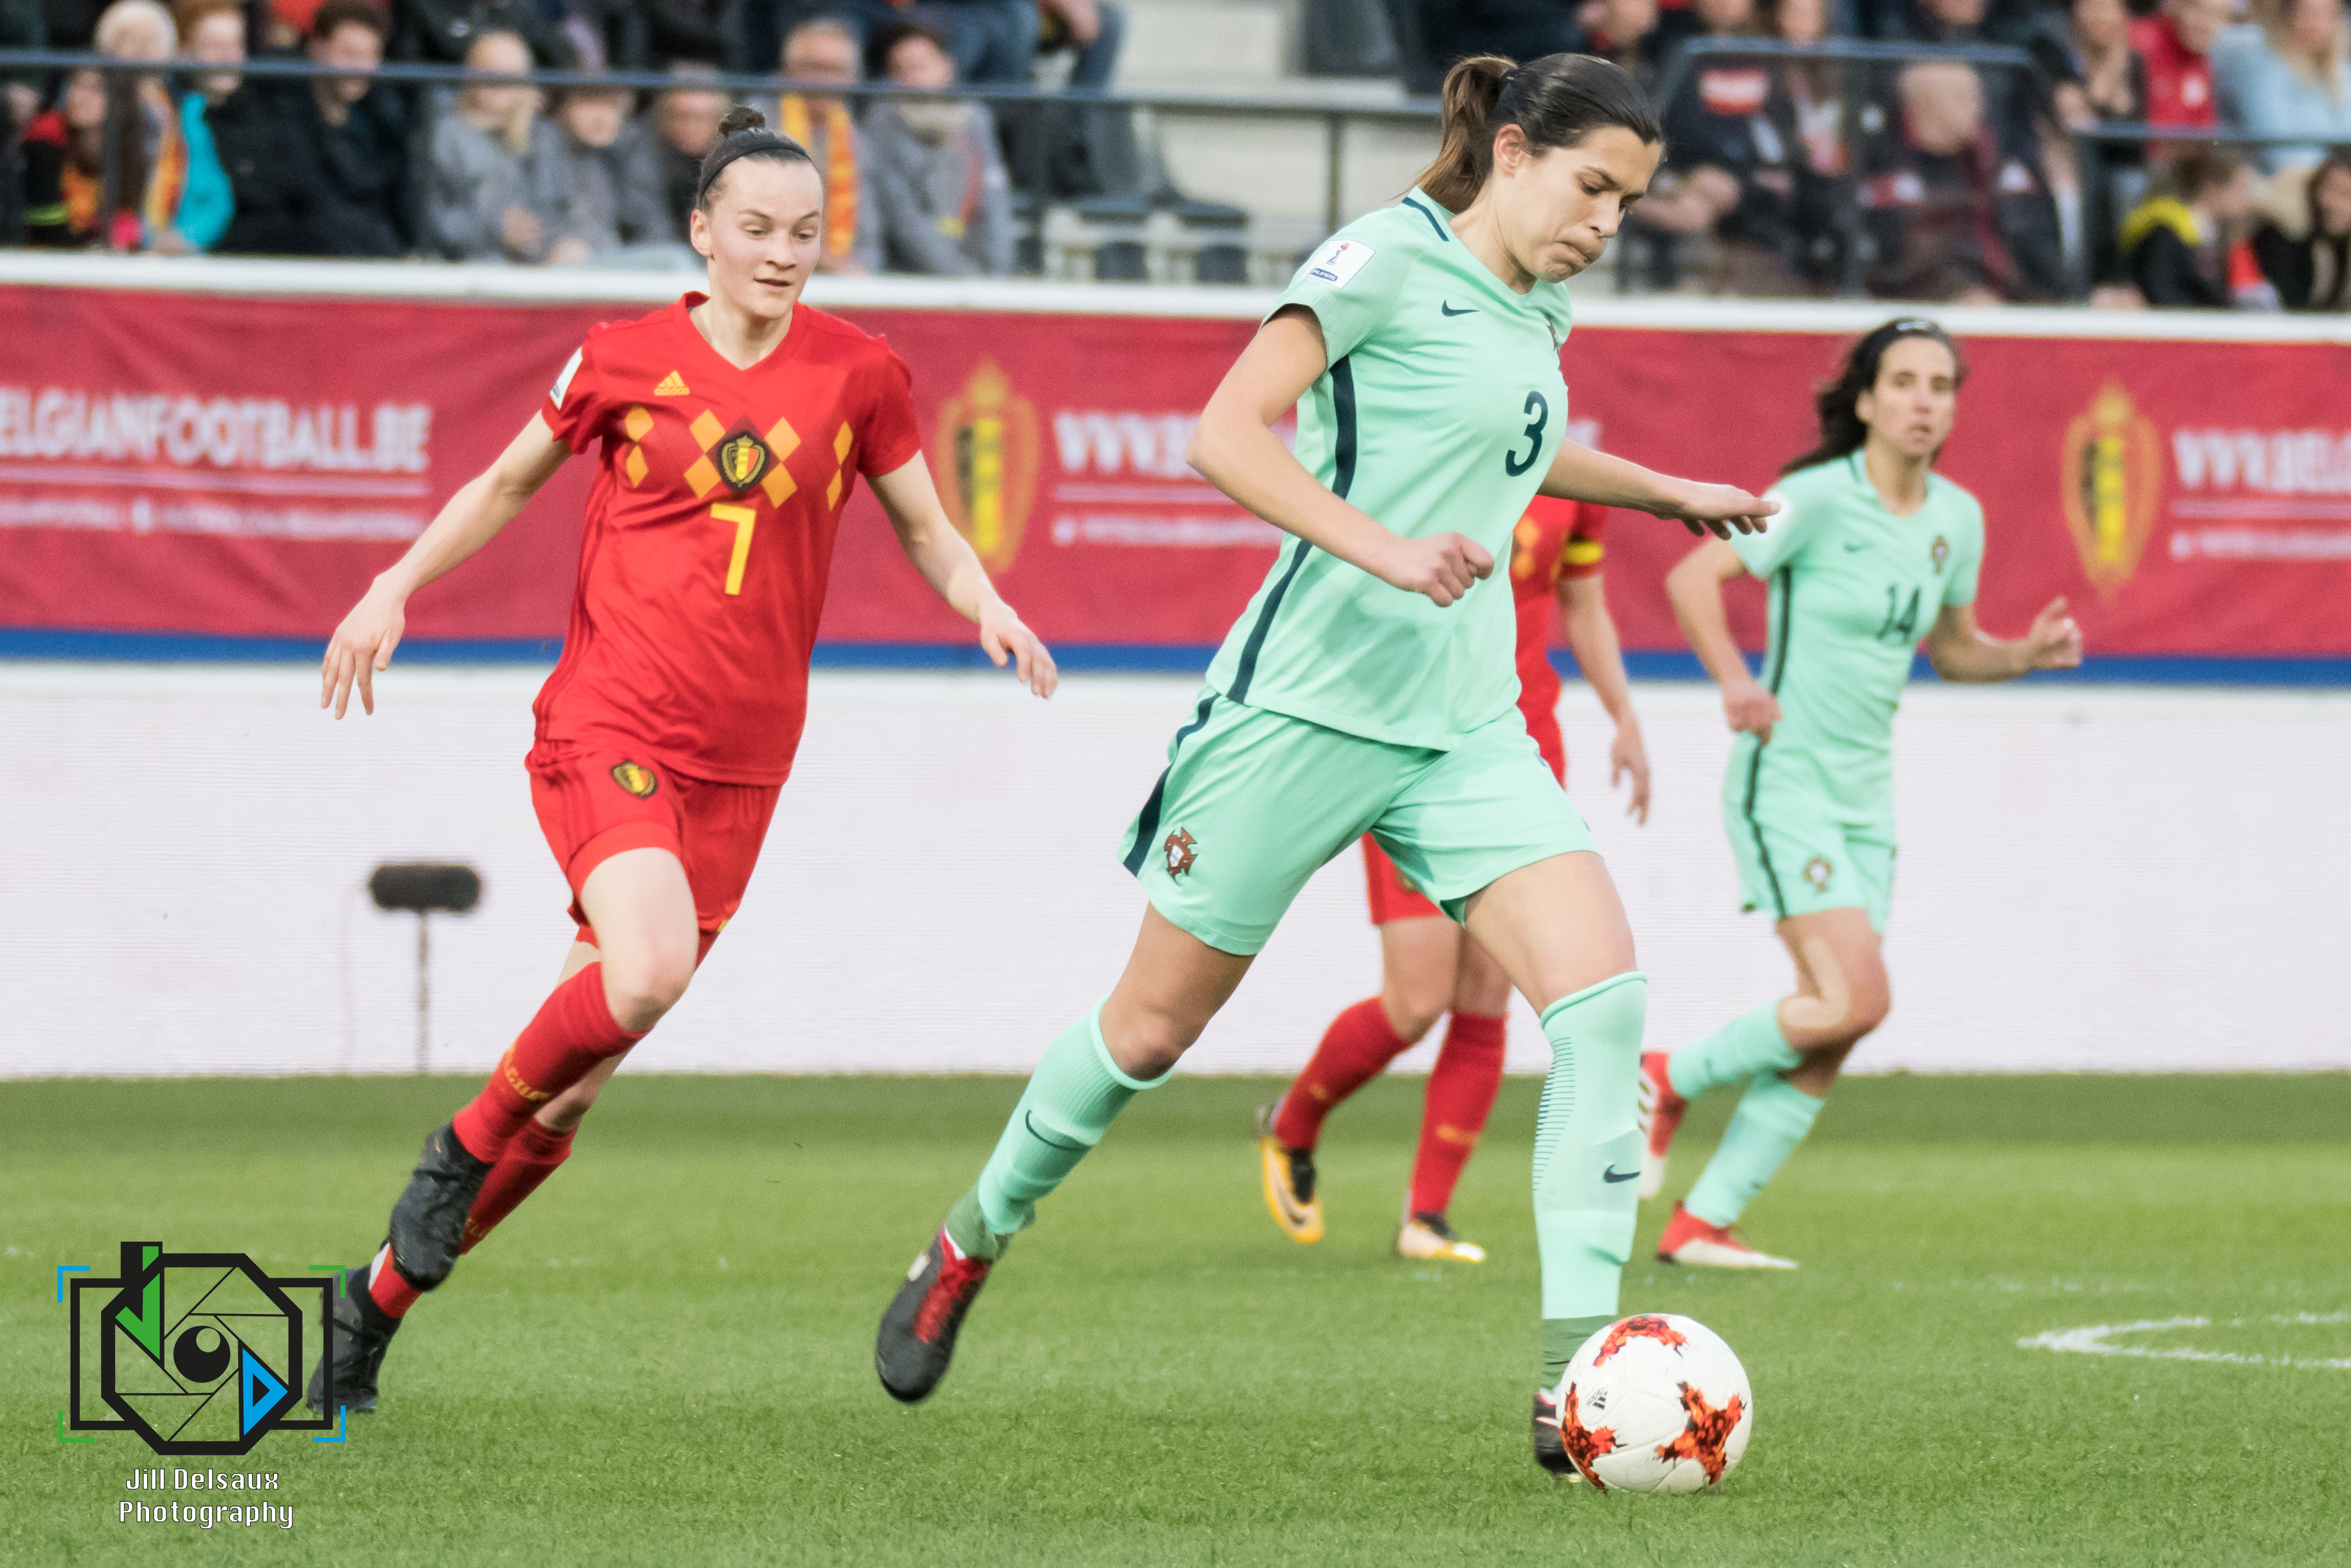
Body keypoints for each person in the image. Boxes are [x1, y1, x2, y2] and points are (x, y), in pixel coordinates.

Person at [867, 52, 1776, 1478]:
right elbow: (1221, 434)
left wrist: (1662, 492)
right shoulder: (1380, 260)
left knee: (1603, 1008)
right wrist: (1386, 550)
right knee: (1146, 1034)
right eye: (1592, 187)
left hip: (1464, 727)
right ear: (1515, 153)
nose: (1607, 222)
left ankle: (1574, 1387)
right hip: (1301, 709)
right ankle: (971, 1236)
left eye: (1629, 203)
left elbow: (1514, 453)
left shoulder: (1542, 303)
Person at [303, 104, 1056, 1418]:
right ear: (702, 231)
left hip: (743, 769)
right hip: (610, 724)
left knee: (570, 1096)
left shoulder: (861, 373)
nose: (783, 253)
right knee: (642, 973)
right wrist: (392, 585)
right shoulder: (620, 358)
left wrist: (983, 599)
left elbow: (929, 531)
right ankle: (455, 1149)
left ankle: (369, 1308)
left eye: (805, 232)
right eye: (756, 228)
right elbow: (504, 483)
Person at [1642, 320, 2082, 1270]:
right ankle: (1666, 1075)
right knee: (1855, 996)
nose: (1925, 400)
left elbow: (1952, 651)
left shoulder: (1955, 519)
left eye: (1941, 385)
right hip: (1785, 781)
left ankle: (1703, 1220)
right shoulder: (1814, 497)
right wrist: (1734, 680)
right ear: (1869, 400)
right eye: (1905, 382)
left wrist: (2024, 654)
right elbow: (1692, 574)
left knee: (1834, 1022)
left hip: (1867, 803)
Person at [1256, 495, 1650, 1266]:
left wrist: (1624, 715)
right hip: (1410, 747)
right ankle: (1291, 1124)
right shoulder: (1424, 460)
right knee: (1416, 998)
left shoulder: (1568, 479)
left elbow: (1584, 605)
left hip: (1521, 752)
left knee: (1486, 992)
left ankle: (1426, 1216)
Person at [1856, 60, 2065, 302]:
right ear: (1925, 104)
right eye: (1963, 98)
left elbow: (2043, 263)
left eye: (1978, 98)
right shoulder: (1882, 172)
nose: (1978, 109)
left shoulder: (2001, 169)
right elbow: (1880, 266)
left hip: (2005, 307)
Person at [862, 20, 1013, 275]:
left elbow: (994, 201)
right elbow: (902, 215)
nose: (911, 79)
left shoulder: (974, 120)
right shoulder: (881, 124)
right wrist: (962, 276)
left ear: (947, 66)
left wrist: (995, 273)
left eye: (920, 67)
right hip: (911, 275)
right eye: (899, 71)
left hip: (980, 272)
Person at [426, 29, 556, 262]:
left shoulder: (543, 136)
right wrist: (496, 228)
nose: (499, 80)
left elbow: (555, 209)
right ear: (471, 74)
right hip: (466, 268)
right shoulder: (444, 135)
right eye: (489, 69)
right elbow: (433, 217)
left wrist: (547, 240)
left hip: (535, 267)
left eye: (510, 73)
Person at [298, 0, 413, 255]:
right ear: (316, 50)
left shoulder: (384, 122)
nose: (359, 67)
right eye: (349, 53)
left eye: (369, 56)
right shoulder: (286, 118)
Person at [777, 15, 878, 273]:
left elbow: (870, 235)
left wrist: (861, 269)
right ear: (789, 69)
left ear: (853, 79)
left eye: (835, 71)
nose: (824, 81)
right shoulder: (756, 127)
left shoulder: (859, 140)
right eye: (814, 68)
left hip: (846, 278)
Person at [536, 83, 676, 261]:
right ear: (563, 107)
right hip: (570, 262)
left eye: (612, 106)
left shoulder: (618, 154)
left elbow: (648, 219)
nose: (602, 117)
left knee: (676, 258)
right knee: (674, 260)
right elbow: (541, 215)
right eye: (590, 105)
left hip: (610, 259)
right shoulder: (545, 145)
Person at [2214, 0, 2351, 173]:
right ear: (2288, 14)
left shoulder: (2340, 71)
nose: (2317, 23)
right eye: (2307, 13)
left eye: (2326, 14)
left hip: (2333, 179)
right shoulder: (2260, 65)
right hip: (2281, 180)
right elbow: (2276, 149)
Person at [155, 0, 243, 254]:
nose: (227, 56)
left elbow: (219, 200)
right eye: (215, 46)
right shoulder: (179, 113)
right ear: (185, 52)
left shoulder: (268, 117)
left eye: (236, 45)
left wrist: (187, 238)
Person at [2122, 145, 2258, 307]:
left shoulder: (2210, 233)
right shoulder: (2167, 230)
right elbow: (2162, 294)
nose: (2248, 198)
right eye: (2240, 188)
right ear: (2212, 188)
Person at [2252, 148, 2351, 309]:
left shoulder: (2342, 243)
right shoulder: (2285, 238)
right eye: (2326, 188)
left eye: (2345, 194)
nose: (2329, 202)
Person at [654, 63, 726, 239]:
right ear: (667, 117)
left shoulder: (731, 162)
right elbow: (650, 224)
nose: (691, 127)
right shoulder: (647, 155)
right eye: (682, 117)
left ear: (718, 120)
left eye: (699, 118)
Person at [2133, 0, 2229, 129]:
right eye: (2199, 11)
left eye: (2215, 15)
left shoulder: (2204, 63)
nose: (2205, 24)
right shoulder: (2142, 41)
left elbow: (2204, 131)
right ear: (2178, 6)